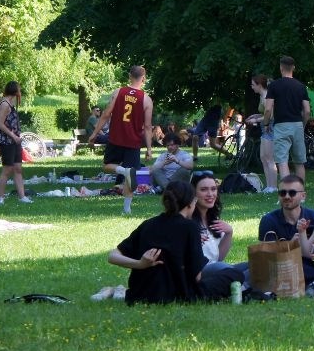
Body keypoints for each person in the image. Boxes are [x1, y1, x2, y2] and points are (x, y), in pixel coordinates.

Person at [108, 181, 243, 304]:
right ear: (190, 203)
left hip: (139, 294)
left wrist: (140, 264)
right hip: (176, 294)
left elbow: (112, 256)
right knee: (235, 274)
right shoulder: (190, 227)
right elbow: (197, 277)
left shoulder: (148, 224)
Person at [88, 65, 153, 214]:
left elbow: (106, 114)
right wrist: (149, 149)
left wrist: (95, 133)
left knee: (107, 166)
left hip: (116, 138)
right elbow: (148, 126)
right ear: (144, 79)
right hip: (134, 142)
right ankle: (127, 209)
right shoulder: (146, 100)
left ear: (130, 76)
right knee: (131, 175)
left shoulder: (118, 92)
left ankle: (123, 171)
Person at [263, 56, 310, 180]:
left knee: (282, 161)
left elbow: (267, 109)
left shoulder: (274, 85)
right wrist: (303, 125)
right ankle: (300, 193)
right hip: (298, 125)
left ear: (280, 68)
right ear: (293, 68)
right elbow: (307, 111)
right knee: (299, 162)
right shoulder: (301, 86)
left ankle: (287, 193)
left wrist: (266, 124)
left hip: (281, 126)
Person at [0, 81, 32, 205]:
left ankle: (22, 197)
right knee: (7, 169)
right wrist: (13, 136)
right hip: (8, 141)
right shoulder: (5, 105)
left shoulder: (7, 103)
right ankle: (0, 198)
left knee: (18, 168)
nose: (20, 92)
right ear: (15, 91)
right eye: (19, 89)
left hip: (15, 140)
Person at [246, 75, 279, 193]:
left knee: (270, 159)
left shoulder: (266, 97)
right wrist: (256, 116)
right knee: (263, 158)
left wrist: (255, 120)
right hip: (264, 129)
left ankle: (273, 187)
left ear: (259, 85)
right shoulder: (262, 96)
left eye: (253, 84)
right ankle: (269, 186)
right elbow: (264, 113)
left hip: (270, 129)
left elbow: (270, 116)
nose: (252, 87)